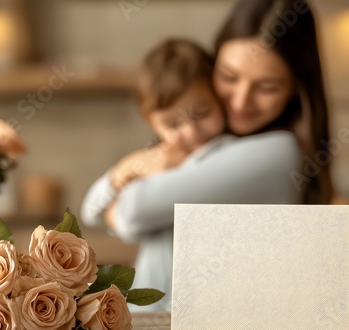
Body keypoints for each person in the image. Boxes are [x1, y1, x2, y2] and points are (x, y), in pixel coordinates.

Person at [82, 0, 333, 312]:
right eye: (229, 77)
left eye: (266, 87)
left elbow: (133, 213)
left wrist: (126, 194)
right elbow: (93, 210)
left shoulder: (279, 152)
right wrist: (127, 168)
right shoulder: (206, 145)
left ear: (297, 88)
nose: (240, 100)